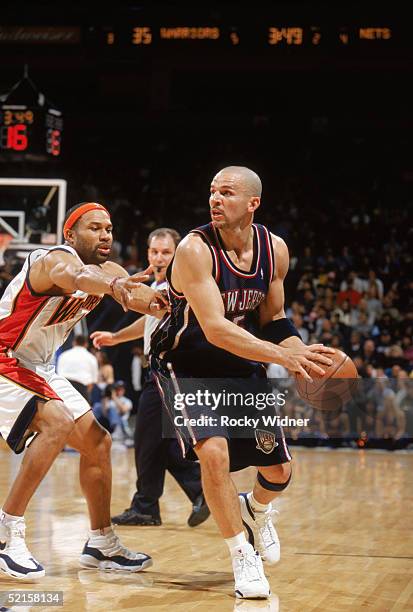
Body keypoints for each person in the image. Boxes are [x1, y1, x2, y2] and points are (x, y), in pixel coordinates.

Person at [150, 167, 334, 599]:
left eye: (226, 192)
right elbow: (214, 328)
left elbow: (273, 320)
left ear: (253, 203)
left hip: (241, 361)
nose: (215, 199)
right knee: (213, 452)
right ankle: (240, 555)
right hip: (187, 363)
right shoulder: (194, 249)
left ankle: (257, 510)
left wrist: (302, 352)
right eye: (212, 191)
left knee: (279, 471)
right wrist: (282, 356)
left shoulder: (275, 250)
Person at [0, 201, 165, 579]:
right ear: (70, 234)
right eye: (94, 228)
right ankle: (7, 531)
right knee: (56, 422)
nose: (105, 234)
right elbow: (74, 276)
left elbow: (146, 302)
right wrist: (113, 286)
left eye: (108, 228)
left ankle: (101, 542)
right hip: (4, 355)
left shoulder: (111, 272)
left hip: (38, 366)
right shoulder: (52, 259)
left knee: (98, 442)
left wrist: (186, 303)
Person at [91, 228, 209, 527]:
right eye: (154, 252)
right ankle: (188, 495)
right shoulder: (158, 286)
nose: (159, 257)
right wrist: (116, 337)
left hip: (171, 368)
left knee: (148, 439)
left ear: (177, 254)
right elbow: (149, 319)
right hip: (158, 368)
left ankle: (151, 504)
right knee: (158, 443)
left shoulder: (181, 284)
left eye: (166, 252)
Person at [56, 334, 98, 402]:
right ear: (86, 344)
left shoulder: (63, 355)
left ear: (74, 342)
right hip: (81, 391)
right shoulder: (91, 358)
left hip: (64, 390)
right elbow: (92, 382)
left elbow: (58, 375)